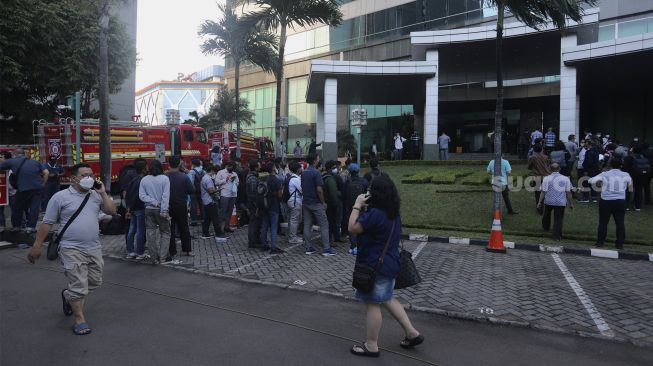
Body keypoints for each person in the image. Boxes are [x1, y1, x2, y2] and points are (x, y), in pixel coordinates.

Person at [28, 163, 115, 335]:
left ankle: (69, 295)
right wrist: (37, 246)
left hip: (94, 247)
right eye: (84, 175)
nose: (89, 178)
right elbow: (47, 223)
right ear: (73, 178)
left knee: (95, 281)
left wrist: (103, 193)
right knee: (79, 285)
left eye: (91, 175)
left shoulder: (96, 195)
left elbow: (111, 211)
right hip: (70, 248)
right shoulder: (60, 197)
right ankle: (79, 319)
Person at [347, 174, 422, 358]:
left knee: (373, 304)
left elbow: (352, 227)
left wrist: (357, 205)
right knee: (387, 298)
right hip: (390, 264)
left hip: (375, 267)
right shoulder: (392, 212)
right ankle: (412, 333)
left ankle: (371, 345)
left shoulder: (375, 214)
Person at [0, 148, 49, 233]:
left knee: (17, 207)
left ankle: (16, 226)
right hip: (38, 187)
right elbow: (46, 172)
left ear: (14, 155)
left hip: (24, 188)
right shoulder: (35, 162)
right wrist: (43, 183)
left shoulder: (12, 161)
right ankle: (31, 228)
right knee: (34, 207)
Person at [588, 158, 632, 249]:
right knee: (620, 223)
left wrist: (600, 183)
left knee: (603, 222)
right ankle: (620, 244)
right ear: (621, 165)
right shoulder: (625, 174)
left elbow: (591, 180)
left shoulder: (605, 174)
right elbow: (629, 185)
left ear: (610, 165)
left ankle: (600, 242)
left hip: (606, 200)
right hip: (620, 200)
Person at [301, 153, 334, 256]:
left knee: (307, 224)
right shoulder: (316, 173)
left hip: (306, 202)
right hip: (316, 203)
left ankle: (308, 247)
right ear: (315, 160)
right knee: (324, 225)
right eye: (318, 158)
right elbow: (319, 190)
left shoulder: (304, 172)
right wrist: (323, 202)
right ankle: (326, 249)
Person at [139, 160, 171, 265]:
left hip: (148, 209)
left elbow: (142, 196)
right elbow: (166, 196)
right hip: (161, 209)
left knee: (150, 233)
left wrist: (153, 202)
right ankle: (162, 257)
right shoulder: (165, 179)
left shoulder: (144, 179)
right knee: (165, 233)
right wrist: (163, 210)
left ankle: (154, 258)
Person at [166, 156, 195, 257]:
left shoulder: (165, 176)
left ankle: (172, 251)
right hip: (181, 206)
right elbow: (192, 190)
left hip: (168, 206)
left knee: (170, 229)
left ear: (169, 164)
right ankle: (188, 250)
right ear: (179, 164)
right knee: (184, 228)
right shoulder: (184, 177)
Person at [537, 163, 574, 240]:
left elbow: (543, 192)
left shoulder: (546, 178)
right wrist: (571, 203)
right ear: (559, 168)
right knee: (558, 219)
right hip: (560, 202)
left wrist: (539, 202)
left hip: (549, 201)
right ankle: (557, 236)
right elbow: (568, 192)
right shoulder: (565, 179)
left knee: (546, 215)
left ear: (550, 169)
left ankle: (546, 227)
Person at [124, 159, 147, 260]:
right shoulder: (141, 181)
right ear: (143, 169)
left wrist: (129, 208)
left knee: (132, 229)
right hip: (139, 208)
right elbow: (139, 196)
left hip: (133, 208)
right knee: (140, 231)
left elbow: (127, 195)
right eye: (146, 166)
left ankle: (130, 251)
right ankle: (139, 252)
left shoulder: (133, 180)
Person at [259, 162, 284, 254]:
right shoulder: (277, 180)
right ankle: (273, 247)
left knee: (265, 225)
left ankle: (264, 244)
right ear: (273, 169)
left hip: (265, 205)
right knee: (274, 226)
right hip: (274, 205)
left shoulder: (264, 179)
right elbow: (280, 194)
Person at [343, 163, 368, 255]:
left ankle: (353, 246)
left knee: (352, 226)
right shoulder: (364, 181)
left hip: (350, 207)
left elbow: (344, 195)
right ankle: (362, 245)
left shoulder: (347, 182)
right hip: (361, 207)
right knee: (361, 224)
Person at [199, 165, 227, 242]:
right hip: (210, 201)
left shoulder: (204, 177)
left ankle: (205, 233)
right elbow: (211, 190)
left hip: (205, 201)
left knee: (207, 218)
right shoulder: (208, 179)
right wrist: (218, 189)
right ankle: (219, 233)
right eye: (215, 171)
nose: (215, 173)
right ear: (212, 170)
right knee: (215, 218)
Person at [622, 145, 650, 211]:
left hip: (630, 176)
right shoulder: (643, 157)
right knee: (638, 191)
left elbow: (624, 168)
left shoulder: (628, 158)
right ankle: (637, 206)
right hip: (641, 176)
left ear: (633, 150)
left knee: (628, 191)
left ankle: (626, 206)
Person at [215, 161, 239, 233]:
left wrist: (234, 181)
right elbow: (216, 182)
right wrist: (225, 180)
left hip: (233, 194)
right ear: (228, 166)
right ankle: (220, 228)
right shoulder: (221, 172)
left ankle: (227, 226)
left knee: (230, 211)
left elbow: (238, 182)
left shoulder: (234, 173)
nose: (233, 169)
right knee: (223, 211)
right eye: (232, 167)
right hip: (224, 194)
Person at [323, 160, 342, 244]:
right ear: (329, 169)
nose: (336, 169)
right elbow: (333, 193)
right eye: (334, 168)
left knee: (330, 222)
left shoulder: (323, 176)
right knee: (331, 222)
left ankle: (332, 238)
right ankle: (329, 241)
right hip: (331, 204)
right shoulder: (330, 179)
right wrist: (335, 204)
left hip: (326, 202)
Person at [246, 159, 262, 248]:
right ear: (256, 167)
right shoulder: (252, 178)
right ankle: (253, 242)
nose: (260, 166)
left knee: (256, 223)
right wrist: (256, 206)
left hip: (253, 203)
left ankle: (255, 240)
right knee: (253, 223)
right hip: (253, 204)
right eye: (259, 165)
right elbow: (253, 194)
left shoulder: (253, 176)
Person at [286, 161, 303, 244]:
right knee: (294, 220)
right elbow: (302, 190)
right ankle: (292, 238)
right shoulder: (295, 179)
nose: (301, 169)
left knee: (292, 220)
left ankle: (292, 236)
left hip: (292, 201)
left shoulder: (291, 177)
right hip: (295, 201)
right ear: (297, 169)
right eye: (300, 167)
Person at [187, 159, 205, 225]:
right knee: (202, 205)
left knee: (193, 205)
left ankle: (194, 221)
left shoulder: (191, 172)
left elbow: (190, 182)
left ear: (193, 164)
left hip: (193, 191)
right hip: (202, 191)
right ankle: (203, 220)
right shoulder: (203, 171)